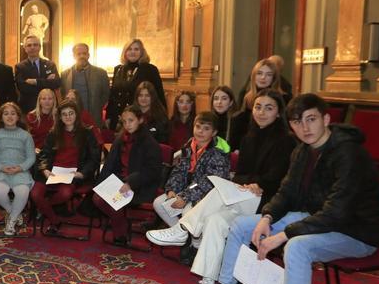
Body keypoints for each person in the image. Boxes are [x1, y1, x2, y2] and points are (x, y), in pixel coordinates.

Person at [185, 94, 379, 284]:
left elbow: (337, 212)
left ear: (326, 119)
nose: (305, 127)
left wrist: (284, 234)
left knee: (297, 247)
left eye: (311, 119)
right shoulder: (302, 150)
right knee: (240, 225)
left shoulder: (349, 154)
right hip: (317, 218)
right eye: (297, 122)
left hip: (357, 231)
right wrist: (267, 217)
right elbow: (287, 192)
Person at [147, 90, 294, 284]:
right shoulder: (249, 137)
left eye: (268, 108)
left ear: (279, 113)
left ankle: (183, 229)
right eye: (258, 107)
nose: (261, 112)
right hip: (244, 194)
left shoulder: (286, 141)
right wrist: (246, 183)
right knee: (215, 221)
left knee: (216, 189)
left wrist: (257, 184)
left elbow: (278, 177)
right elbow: (240, 172)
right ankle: (208, 283)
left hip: (266, 200)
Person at [94, 105, 163, 246]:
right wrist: (101, 184)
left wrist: (131, 182)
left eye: (131, 120)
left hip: (140, 185)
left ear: (140, 120)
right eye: (124, 121)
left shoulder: (149, 142)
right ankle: (121, 223)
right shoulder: (121, 139)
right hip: (120, 181)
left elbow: (152, 171)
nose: (127, 125)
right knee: (97, 198)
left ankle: (120, 233)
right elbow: (110, 164)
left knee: (112, 202)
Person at [151, 111, 231, 228]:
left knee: (187, 212)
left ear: (214, 132)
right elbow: (179, 170)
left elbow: (208, 182)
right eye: (198, 127)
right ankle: (181, 234)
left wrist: (185, 196)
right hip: (188, 191)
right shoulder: (189, 145)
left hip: (207, 196)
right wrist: (172, 190)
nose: (200, 131)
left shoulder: (218, 152)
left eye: (206, 129)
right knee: (159, 203)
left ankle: (195, 243)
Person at [32, 100, 101, 235]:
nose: (68, 117)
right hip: (52, 172)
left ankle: (44, 208)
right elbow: (44, 154)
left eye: (71, 113)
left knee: (65, 194)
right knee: (35, 193)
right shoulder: (54, 132)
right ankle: (55, 220)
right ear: (60, 117)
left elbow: (94, 159)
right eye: (64, 114)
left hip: (74, 173)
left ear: (77, 115)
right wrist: (45, 169)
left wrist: (82, 173)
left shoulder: (87, 132)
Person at [0, 102, 36, 236]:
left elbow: (31, 157)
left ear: (18, 117)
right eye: (6, 114)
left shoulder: (26, 135)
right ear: (1, 117)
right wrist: (1, 167)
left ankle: (11, 220)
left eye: (13, 114)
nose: (10, 116)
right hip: (0, 171)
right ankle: (14, 213)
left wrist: (20, 167)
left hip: (20, 171)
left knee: (23, 191)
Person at [106, 39, 165, 130]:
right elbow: (112, 96)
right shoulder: (118, 69)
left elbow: (159, 95)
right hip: (119, 118)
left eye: (136, 49)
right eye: (129, 49)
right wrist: (108, 116)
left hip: (141, 118)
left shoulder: (150, 69)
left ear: (142, 52)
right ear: (125, 52)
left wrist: (162, 117)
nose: (132, 52)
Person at [232, 58, 290, 149]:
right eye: (259, 73)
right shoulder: (247, 97)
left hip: (274, 145)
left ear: (274, 78)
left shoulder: (284, 98)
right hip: (251, 144)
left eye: (268, 74)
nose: (263, 77)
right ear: (254, 76)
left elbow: (286, 126)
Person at [60, 43, 110, 127]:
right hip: (72, 118)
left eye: (84, 53)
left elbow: (106, 95)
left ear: (88, 55)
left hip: (93, 117)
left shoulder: (101, 73)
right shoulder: (65, 74)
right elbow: (63, 94)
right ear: (74, 56)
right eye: (78, 54)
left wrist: (96, 107)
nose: (81, 56)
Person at [14, 35, 60, 113]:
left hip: (50, 109)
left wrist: (36, 81)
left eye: (35, 45)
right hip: (28, 108)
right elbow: (23, 88)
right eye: (29, 45)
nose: (32, 47)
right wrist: (46, 82)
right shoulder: (20, 67)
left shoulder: (50, 65)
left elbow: (56, 83)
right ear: (25, 48)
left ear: (40, 47)